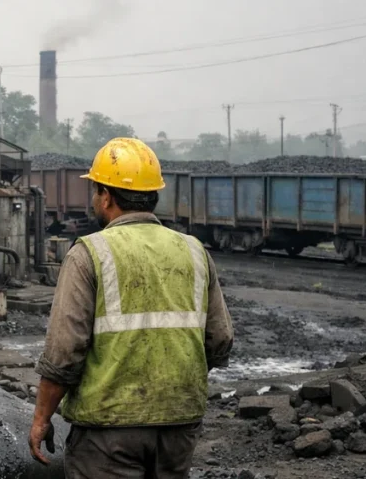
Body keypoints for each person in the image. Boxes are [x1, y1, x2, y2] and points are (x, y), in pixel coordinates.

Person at [29, 138, 234, 478]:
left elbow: (64, 352)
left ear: (106, 196)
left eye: (95, 191)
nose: (94, 198)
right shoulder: (195, 251)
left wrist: (41, 419)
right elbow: (220, 340)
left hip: (108, 431)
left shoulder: (89, 253)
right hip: (179, 426)